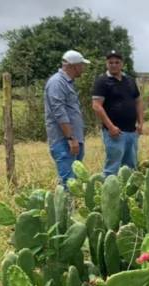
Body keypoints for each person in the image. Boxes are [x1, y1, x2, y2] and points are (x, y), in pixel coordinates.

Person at [91, 50, 144, 177]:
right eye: (111, 62)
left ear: (122, 64)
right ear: (106, 64)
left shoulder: (130, 80)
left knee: (130, 166)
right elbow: (97, 106)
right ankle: (110, 195)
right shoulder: (102, 81)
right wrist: (110, 127)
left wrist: (141, 123)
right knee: (112, 167)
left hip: (132, 131)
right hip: (115, 132)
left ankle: (126, 195)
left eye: (117, 62)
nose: (114, 65)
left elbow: (139, 102)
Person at [45, 50, 90, 190]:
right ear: (74, 65)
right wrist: (70, 137)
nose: (84, 67)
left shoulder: (67, 82)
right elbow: (59, 112)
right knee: (68, 182)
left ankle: (70, 209)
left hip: (73, 140)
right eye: (82, 64)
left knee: (73, 181)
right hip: (65, 140)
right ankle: (67, 211)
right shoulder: (57, 82)